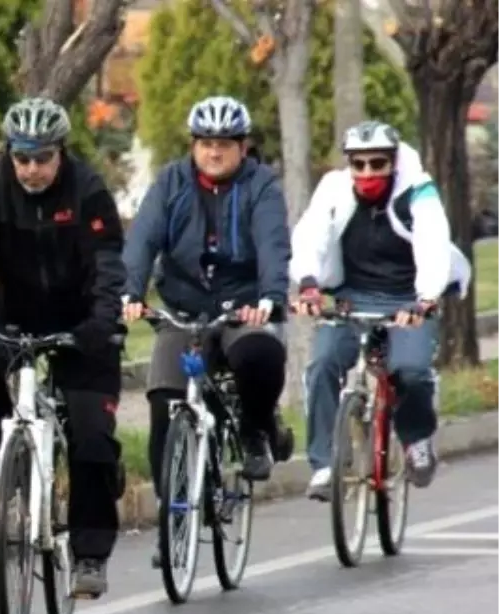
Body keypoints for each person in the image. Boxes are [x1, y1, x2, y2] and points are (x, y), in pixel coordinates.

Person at [0, 97, 126, 597]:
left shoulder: (88, 190)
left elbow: (108, 265)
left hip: (83, 320)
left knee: (91, 438)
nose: (32, 169)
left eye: (42, 158)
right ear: (10, 153)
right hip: (16, 310)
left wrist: (100, 323)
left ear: (60, 152)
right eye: (22, 157)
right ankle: (1, 455)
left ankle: (88, 556)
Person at [122, 96, 291, 565]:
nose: (214, 153)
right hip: (183, 306)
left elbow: (274, 242)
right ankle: (171, 516)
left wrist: (270, 298)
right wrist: (130, 292)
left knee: (259, 355)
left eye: (224, 144)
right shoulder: (172, 182)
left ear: (243, 146)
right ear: (194, 145)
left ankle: (257, 429)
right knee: (163, 401)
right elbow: (143, 240)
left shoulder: (261, 186)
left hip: (241, 305)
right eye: (206, 143)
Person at [290, 121, 472, 498]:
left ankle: (417, 438)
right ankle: (325, 465)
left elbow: (433, 242)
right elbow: (311, 234)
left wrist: (424, 299)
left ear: (393, 163)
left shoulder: (417, 192)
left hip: (408, 301)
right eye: (359, 164)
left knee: (411, 371)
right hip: (351, 299)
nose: (368, 172)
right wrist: (308, 284)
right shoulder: (335, 190)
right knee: (322, 364)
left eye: (378, 163)